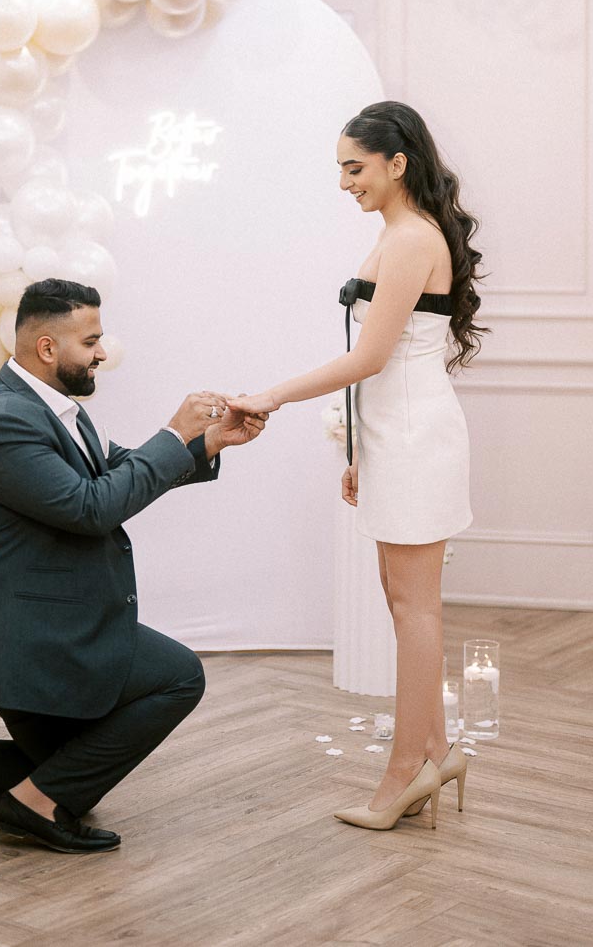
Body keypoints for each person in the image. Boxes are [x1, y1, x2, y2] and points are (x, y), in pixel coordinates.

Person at [0, 278, 268, 852]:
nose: (102, 352)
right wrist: (174, 432)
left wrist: (205, 443)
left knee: (64, 769)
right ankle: (32, 805)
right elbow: (91, 507)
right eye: (92, 340)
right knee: (178, 678)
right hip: (17, 630)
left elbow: (110, 471)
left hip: (45, 616)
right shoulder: (5, 418)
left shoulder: (52, 408)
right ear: (48, 348)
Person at [229, 101, 485, 831]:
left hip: (416, 436)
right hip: (397, 436)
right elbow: (388, 364)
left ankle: (408, 770)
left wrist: (273, 394)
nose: (345, 183)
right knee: (404, 601)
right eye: (341, 169)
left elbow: (371, 357)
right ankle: (436, 748)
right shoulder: (399, 236)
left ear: (397, 163)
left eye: (356, 167)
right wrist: (359, 449)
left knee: (415, 607)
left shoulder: (410, 240)